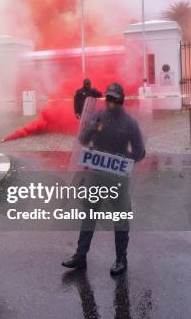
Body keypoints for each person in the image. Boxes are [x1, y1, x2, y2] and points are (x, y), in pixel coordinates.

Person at [62, 82, 145, 276]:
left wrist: (128, 159)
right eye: (109, 98)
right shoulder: (97, 116)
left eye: (114, 99)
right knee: (89, 215)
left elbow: (139, 151)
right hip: (96, 176)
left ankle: (121, 258)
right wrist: (91, 128)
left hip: (117, 178)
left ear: (121, 100)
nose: (111, 102)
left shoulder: (130, 123)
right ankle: (80, 256)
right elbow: (82, 139)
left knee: (120, 218)